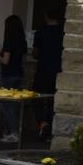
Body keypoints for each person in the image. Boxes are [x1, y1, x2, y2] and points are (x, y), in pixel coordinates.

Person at [0, 14, 28, 144]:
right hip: (18, 74)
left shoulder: (9, 40)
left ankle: (13, 133)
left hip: (8, 75)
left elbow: (6, 61)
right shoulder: (22, 40)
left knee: (6, 105)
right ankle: (11, 132)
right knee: (14, 105)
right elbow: (22, 59)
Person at [31, 8, 64, 140]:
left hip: (42, 70)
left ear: (46, 16)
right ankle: (48, 125)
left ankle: (41, 123)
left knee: (36, 98)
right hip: (57, 70)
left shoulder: (41, 31)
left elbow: (35, 53)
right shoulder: (63, 32)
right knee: (53, 100)